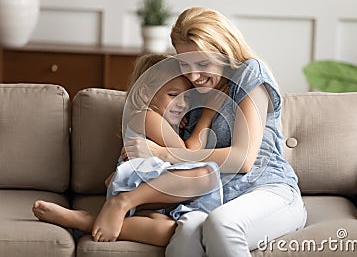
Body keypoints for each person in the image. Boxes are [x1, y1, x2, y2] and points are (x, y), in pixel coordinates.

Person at [122, 7, 308, 257]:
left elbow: (243, 159)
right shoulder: (193, 95)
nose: (194, 76)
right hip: (212, 200)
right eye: (184, 65)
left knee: (223, 225)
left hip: (268, 191)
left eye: (202, 63)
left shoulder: (250, 74)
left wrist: (163, 153)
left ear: (224, 52)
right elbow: (189, 151)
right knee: (186, 232)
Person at [32, 53, 225, 246]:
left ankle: (87, 221)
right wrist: (207, 114)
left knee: (170, 231)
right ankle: (121, 203)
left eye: (187, 99)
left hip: (154, 195)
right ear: (145, 94)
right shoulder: (146, 117)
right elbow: (188, 153)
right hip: (139, 185)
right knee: (206, 174)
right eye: (173, 95)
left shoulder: (162, 120)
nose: (182, 104)